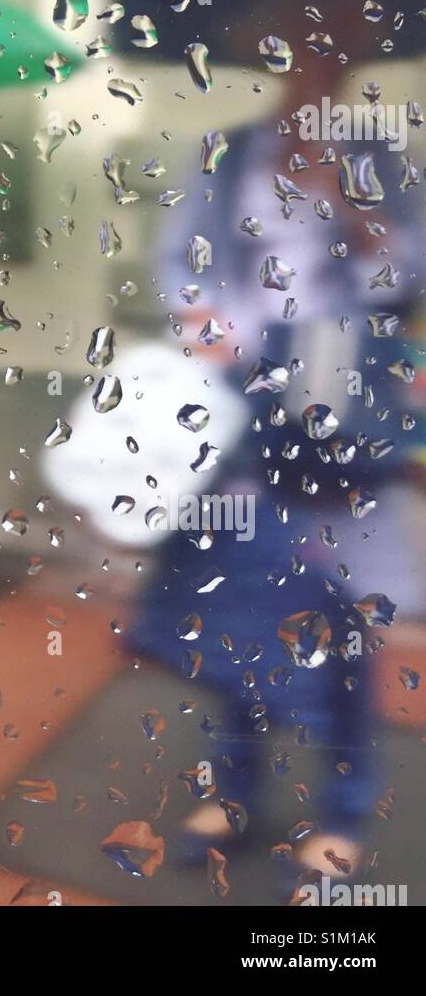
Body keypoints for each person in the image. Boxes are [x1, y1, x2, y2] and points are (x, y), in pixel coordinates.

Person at [130, 51, 424, 885]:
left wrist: (358, 214)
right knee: (243, 604)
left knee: (348, 619)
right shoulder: (227, 151)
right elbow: (182, 266)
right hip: (246, 419)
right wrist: (202, 320)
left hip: (349, 415)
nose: (314, 64)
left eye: (335, 40)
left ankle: (342, 811)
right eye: (295, 39)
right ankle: (233, 792)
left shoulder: (379, 156)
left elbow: (406, 279)